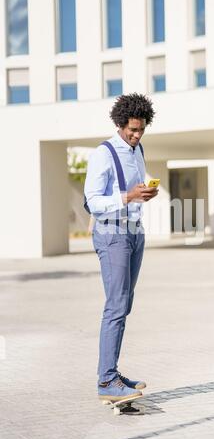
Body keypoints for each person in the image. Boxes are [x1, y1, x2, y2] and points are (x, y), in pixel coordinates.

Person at [84, 93, 158, 402]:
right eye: (132, 130)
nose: (137, 135)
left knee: (124, 305)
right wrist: (127, 197)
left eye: (141, 129)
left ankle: (112, 371)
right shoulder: (104, 153)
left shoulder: (137, 149)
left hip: (134, 233)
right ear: (119, 124)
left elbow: (133, 190)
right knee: (115, 306)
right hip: (112, 234)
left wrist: (144, 194)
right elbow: (92, 201)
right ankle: (106, 381)